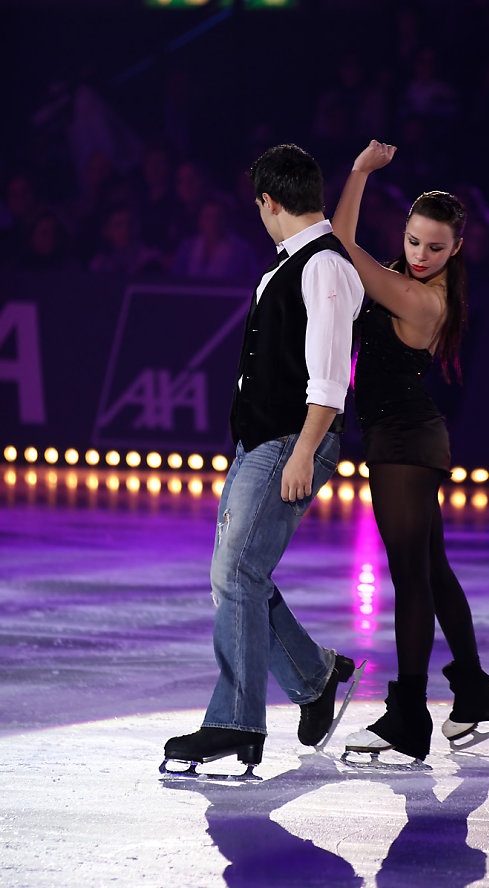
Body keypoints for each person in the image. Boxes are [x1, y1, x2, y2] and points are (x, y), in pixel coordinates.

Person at [164, 144, 365, 770]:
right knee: (236, 575)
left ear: (268, 203)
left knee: (235, 574)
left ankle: (236, 722)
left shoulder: (322, 267)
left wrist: (303, 451)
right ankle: (316, 677)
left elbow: (330, 376)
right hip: (264, 441)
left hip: (289, 442)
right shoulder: (291, 265)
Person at [331, 140, 489, 762]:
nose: (421, 255)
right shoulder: (410, 282)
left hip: (404, 443)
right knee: (430, 571)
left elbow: (344, 248)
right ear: (404, 234)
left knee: (410, 580)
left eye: (436, 247)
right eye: (413, 242)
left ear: (457, 248)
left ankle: (408, 717)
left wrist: (357, 172)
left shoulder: (420, 297)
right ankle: (478, 691)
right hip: (407, 439)